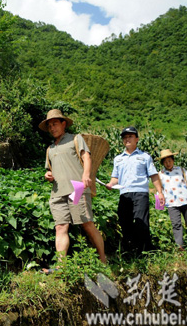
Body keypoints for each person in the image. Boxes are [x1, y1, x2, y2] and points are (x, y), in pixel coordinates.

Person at [39, 109, 106, 272]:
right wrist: (48, 174)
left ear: (63, 124)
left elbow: (86, 157)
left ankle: (103, 258)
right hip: (57, 192)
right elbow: (49, 170)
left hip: (76, 188)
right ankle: (61, 265)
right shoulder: (50, 149)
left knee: (86, 223)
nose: (52, 128)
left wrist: (86, 175)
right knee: (60, 227)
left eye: (55, 124)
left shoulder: (75, 139)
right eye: (49, 125)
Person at [106, 126, 165, 255]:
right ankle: (131, 250)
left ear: (136, 139)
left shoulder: (145, 157)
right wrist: (110, 184)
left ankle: (146, 251)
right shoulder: (118, 159)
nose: (127, 139)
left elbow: (154, 175)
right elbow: (115, 178)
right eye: (125, 137)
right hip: (124, 193)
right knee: (124, 221)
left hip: (140, 193)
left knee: (141, 221)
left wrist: (159, 192)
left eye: (130, 136)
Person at [157, 149, 187, 250]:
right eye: (165, 161)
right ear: (162, 162)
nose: (168, 163)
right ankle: (179, 246)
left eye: (170, 161)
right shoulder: (160, 174)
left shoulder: (181, 170)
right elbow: (160, 189)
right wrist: (159, 204)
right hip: (172, 203)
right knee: (176, 224)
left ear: (173, 160)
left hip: (186, 200)